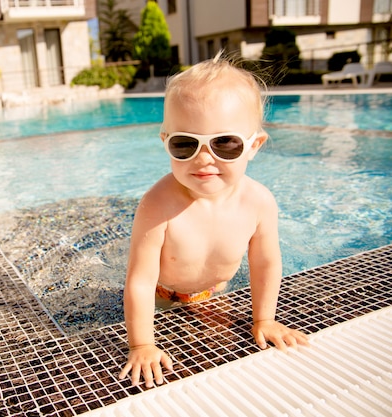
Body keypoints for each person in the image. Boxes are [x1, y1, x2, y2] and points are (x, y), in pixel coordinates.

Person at [118, 53, 310, 388]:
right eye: (184, 144)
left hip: (214, 290)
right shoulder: (157, 205)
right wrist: (142, 345)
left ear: (254, 145)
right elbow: (140, 281)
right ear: (166, 142)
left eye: (225, 144)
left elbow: (266, 263)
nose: (204, 158)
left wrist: (264, 319)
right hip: (164, 293)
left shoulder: (258, 202)